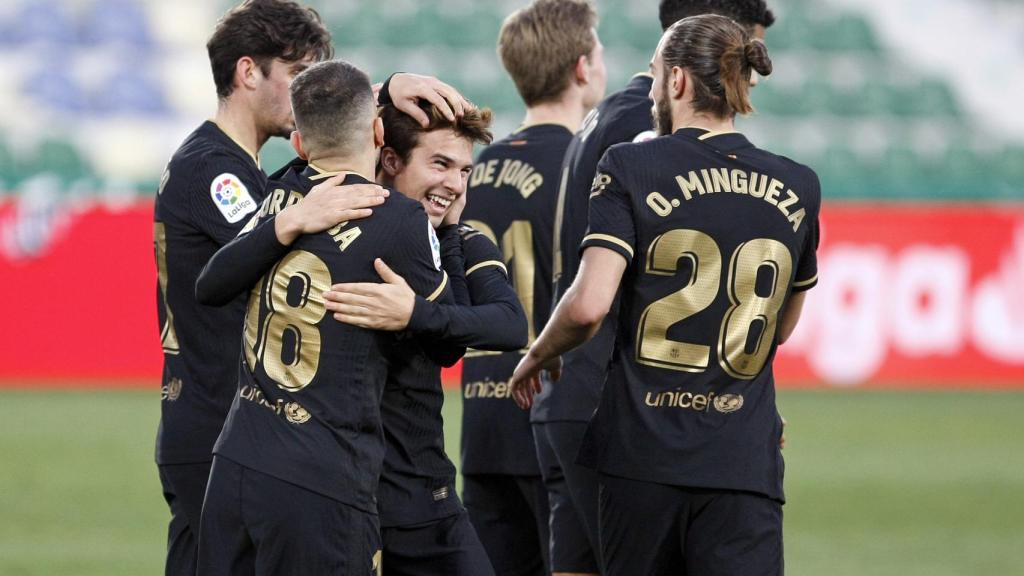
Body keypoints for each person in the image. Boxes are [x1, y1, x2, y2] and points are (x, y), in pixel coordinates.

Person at [153, 0, 470, 571]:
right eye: (298, 75)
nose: (306, 93)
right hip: (221, 425)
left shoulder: (250, 171)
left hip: (235, 430)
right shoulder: (217, 172)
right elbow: (276, 253)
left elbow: (328, 117)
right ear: (248, 73)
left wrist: (378, 93)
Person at [510, 14, 819, 576]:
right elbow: (780, 325)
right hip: (742, 458)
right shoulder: (799, 183)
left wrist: (536, 356)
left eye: (653, 76)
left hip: (642, 456)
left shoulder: (630, 165)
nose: (650, 89)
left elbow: (587, 306)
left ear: (676, 82)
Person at [196, 98, 530, 575]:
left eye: (464, 171)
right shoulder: (324, 214)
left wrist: (417, 310)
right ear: (387, 156)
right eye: (440, 164)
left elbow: (509, 324)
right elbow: (321, 133)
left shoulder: (462, 240)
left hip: (420, 496)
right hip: (351, 491)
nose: (454, 185)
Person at [457, 1, 606, 574]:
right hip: (553, 421)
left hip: (482, 424)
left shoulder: (472, 169)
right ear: (580, 67)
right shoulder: (590, 165)